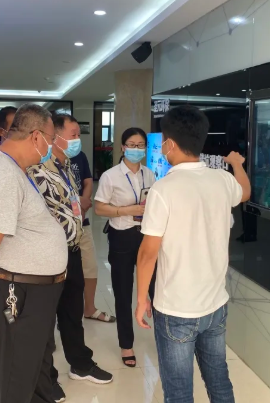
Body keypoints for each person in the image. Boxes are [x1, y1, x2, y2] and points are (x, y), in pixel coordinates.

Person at [135, 105, 251, 403]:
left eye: (163, 141)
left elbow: (148, 254)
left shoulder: (163, 189)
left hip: (176, 308)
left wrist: (141, 297)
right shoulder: (222, 180)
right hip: (215, 304)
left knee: (178, 391)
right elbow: (245, 192)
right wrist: (236, 164)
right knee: (219, 380)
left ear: (171, 144)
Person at [0, 104, 68, 403]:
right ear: (36, 136)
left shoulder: (14, 168)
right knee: (16, 375)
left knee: (35, 367)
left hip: (33, 290)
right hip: (17, 291)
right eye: (51, 139)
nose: (51, 146)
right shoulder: (4, 173)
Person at [28, 113, 113, 402]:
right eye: (73, 134)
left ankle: (80, 363)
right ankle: (46, 378)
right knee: (45, 319)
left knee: (72, 311)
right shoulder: (38, 169)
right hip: (48, 255)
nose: (78, 140)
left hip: (71, 250)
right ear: (55, 137)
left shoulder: (65, 165)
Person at [94, 128, 156, 367]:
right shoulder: (110, 176)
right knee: (122, 292)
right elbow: (99, 208)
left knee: (155, 288)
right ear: (122, 147)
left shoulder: (149, 174)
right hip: (121, 236)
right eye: (131, 144)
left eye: (140, 145)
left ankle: (164, 338)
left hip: (146, 235)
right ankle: (126, 344)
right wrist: (125, 210)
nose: (136, 149)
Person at [69, 141, 115, 324]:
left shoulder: (80, 156)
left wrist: (83, 204)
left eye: (78, 135)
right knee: (62, 270)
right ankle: (61, 312)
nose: (77, 139)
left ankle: (89, 308)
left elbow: (88, 182)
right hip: (59, 226)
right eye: (73, 135)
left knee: (90, 266)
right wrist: (76, 201)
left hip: (82, 221)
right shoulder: (48, 158)